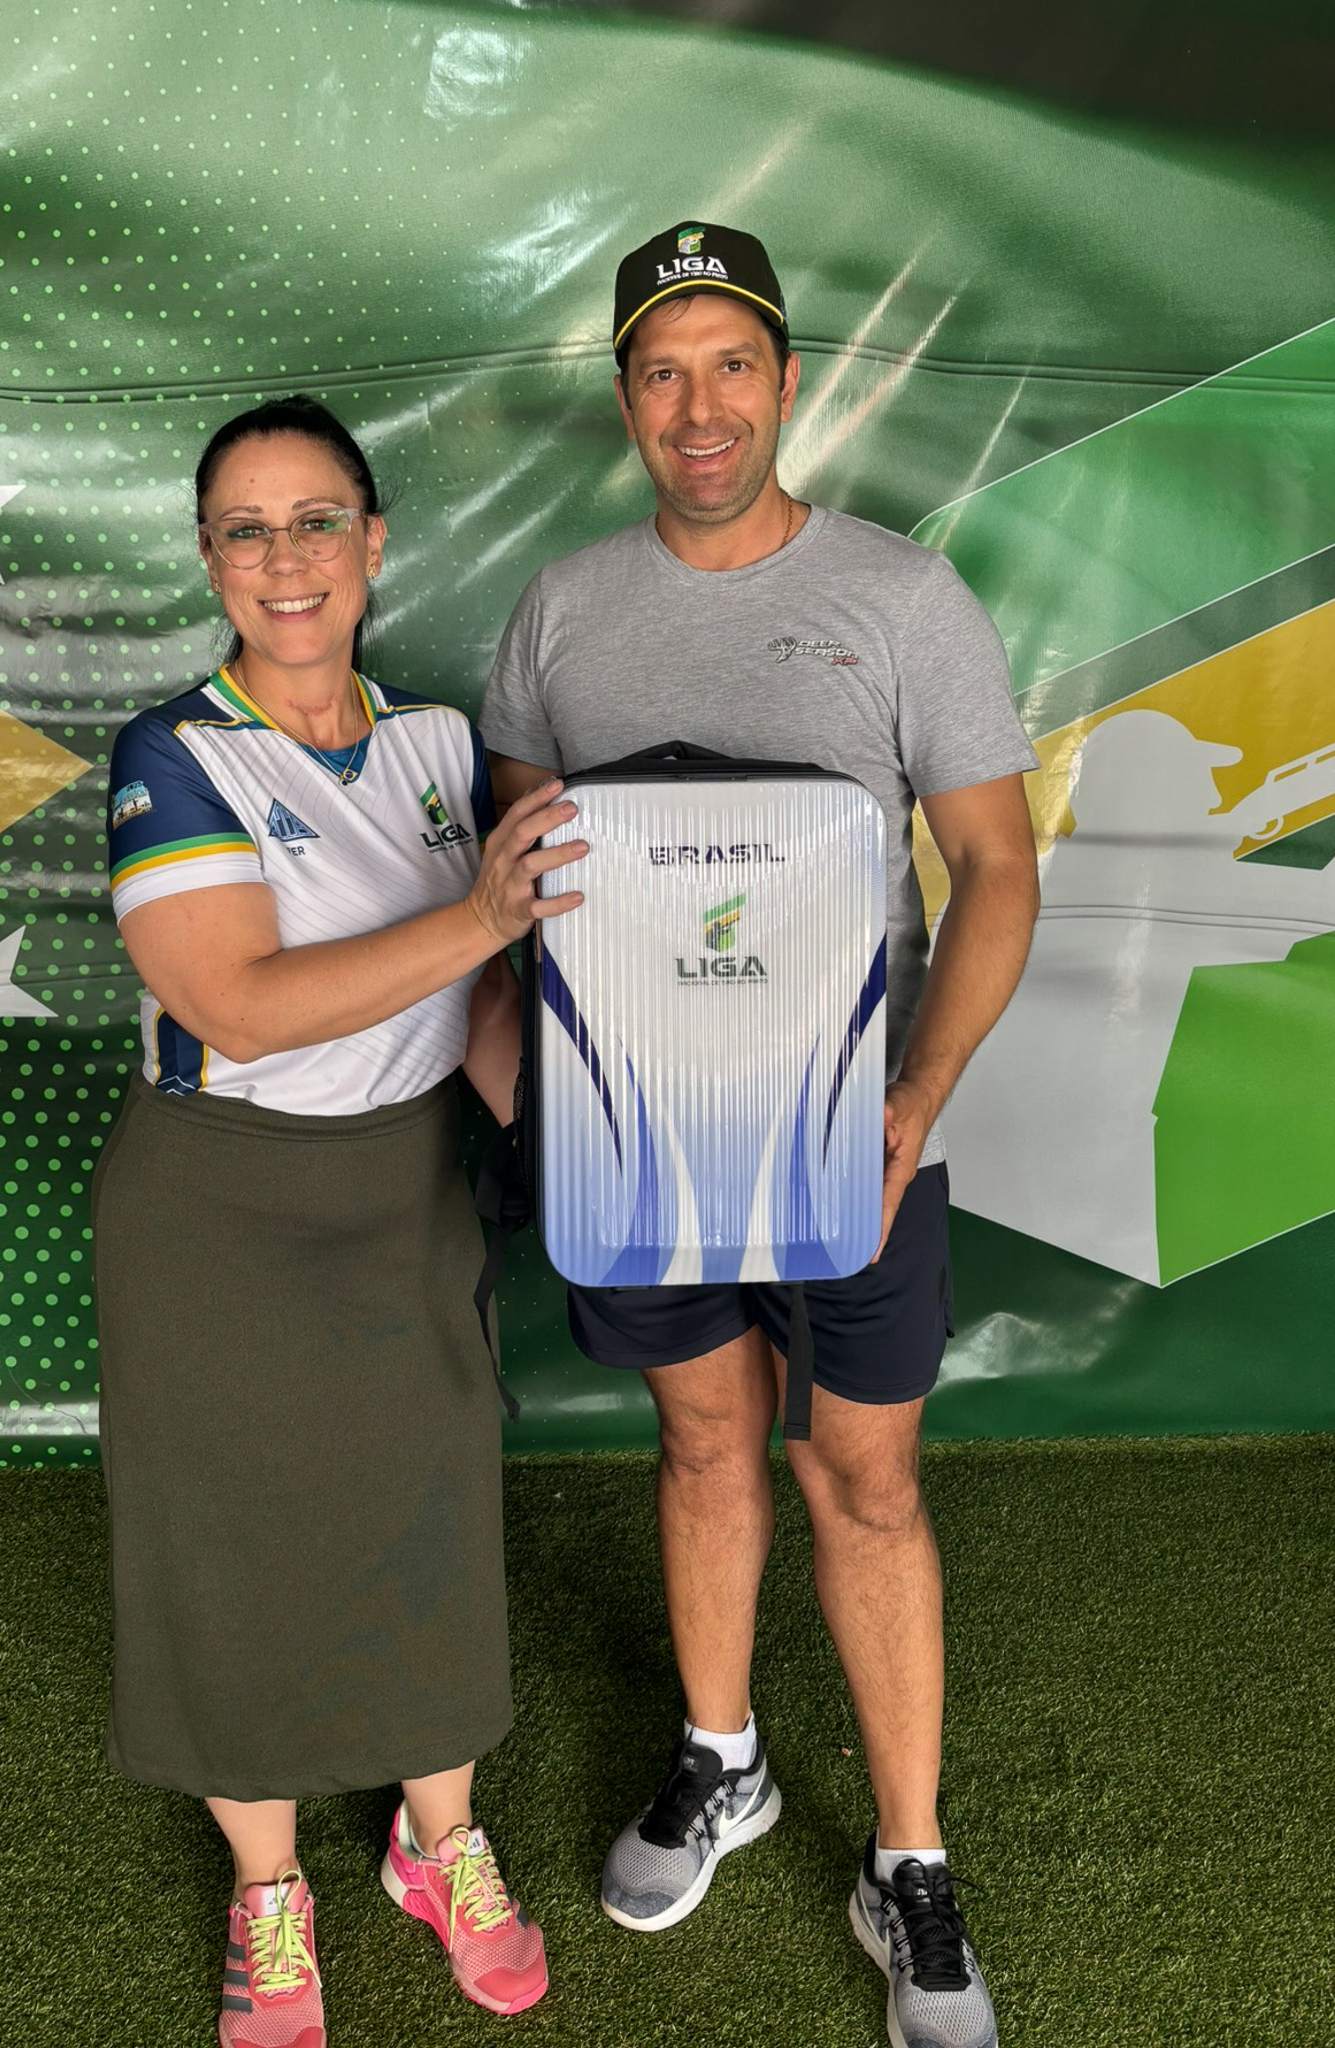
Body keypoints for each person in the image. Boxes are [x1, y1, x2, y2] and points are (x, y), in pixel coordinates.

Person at [481, 224, 1040, 2048]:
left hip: (851, 1142)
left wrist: (913, 1103)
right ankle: (722, 1759)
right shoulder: (563, 611)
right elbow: (514, 874)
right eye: (663, 370)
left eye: (732, 364)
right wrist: (543, 1093)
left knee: (861, 1480)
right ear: (625, 398)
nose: (699, 406)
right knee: (705, 1441)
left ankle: (910, 1859)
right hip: (644, 1141)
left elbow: (998, 869)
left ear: (788, 382)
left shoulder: (901, 596)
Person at [93, 395, 584, 2048]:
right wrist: (482, 916)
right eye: (246, 529)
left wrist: (582, 1155)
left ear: (373, 541)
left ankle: (440, 1849)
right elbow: (234, 1001)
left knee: (427, 1517)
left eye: (317, 520)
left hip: (407, 1190)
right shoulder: (174, 752)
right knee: (230, 1547)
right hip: (216, 1206)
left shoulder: (443, 744)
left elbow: (483, 1006)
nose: (285, 557)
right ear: (209, 563)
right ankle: (269, 1890)